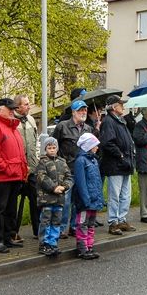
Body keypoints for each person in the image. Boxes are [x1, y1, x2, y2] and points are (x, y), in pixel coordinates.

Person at [0, 97, 29, 253]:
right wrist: (6, 168)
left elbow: (19, 153)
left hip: (15, 175)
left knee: (10, 209)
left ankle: (8, 237)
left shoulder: (12, 128)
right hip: (3, 176)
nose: (12, 111)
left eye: (13, 109)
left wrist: (23, 169)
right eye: (9, 109)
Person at [52, 100, 94, 236]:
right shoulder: (62, 126)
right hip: (67, 171)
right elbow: (53, 146)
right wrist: (57, 165)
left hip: (82, 171)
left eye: (85, 110)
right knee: (65, 201)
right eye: (80, 110)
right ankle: (61, 228)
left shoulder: (88, 129)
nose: (83, 112)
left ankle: (75, 226)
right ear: (73, 112)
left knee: (79, 200)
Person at [99, 95, 137, 233]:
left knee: (126, 195)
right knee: (115, 195)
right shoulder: (109, 121)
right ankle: (113, 222)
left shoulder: (120, 121)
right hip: (115, 164)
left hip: (125, 163)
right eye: (121, 104)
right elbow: (107, 142)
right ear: (114, 107)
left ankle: (122, 219)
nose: (123, 106)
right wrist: (120, 155)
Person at [35, 137, 73, 256]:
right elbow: (42, 177)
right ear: (45, 149)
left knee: (56, 221)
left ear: (57, 148)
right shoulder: (42, 162)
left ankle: (53, 243)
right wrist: (53, 187)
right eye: (49, 148)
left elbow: (69, 177)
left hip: (59, 199)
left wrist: (64, 187)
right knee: (45, 221)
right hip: (47, 199)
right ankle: (44, 244)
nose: (52, 150)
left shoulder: (62, 162)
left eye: (54, 147)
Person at [72, 133, 104, 260]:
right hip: (85, 201)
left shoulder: (94, 160)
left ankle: (89, 246)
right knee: (82, 224)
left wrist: (99, 197)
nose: (97, 148)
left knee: (91, 224)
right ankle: (82, 248)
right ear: (89, 146)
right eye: (95, 145)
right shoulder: (81, 161)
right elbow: (81, 182)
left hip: (94, 199)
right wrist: (85, 199)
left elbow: (97, 181)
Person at [13, 95, 40, 240]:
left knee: (36, 199)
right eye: (26, 104)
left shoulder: (30, 119)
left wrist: (35, 161)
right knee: (13, 201)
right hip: (17, 169)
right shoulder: (12, 121)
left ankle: (38, 230)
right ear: (17, 107)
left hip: (32, 168)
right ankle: (13, 232)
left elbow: (36, 141)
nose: (29, 106)